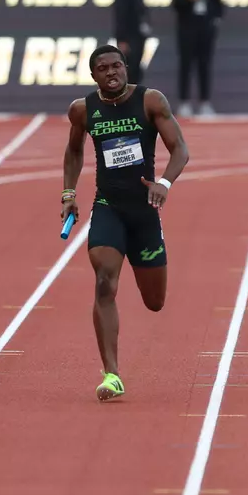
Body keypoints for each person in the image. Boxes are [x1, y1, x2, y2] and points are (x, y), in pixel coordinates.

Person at [61, 43, 190, 402]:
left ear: (126, 68)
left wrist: (164, 183)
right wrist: (68, 194)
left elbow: (180, 147)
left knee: (155, 302)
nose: (112, 72)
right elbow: (73, 150)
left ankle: (143, 267)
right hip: (108, 207)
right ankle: (112, 374)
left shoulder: (151, 101)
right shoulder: (83, 110)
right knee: (104, 282)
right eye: (103, 68)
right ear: (93, 75)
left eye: (117, 66)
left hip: (144, 210)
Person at [171, 0, 224, 118]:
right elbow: (175, 4)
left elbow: (218, 5)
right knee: (186, 65)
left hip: (205, 28)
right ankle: (184, 102)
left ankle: (204, 102)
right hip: (187, 28)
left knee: (204, 64)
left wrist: (214, 20)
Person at [113, 0, 152, 86]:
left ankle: (135, 102)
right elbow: (120, 18)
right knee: (128, 72)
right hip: (129, 39)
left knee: (136, 72)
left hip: (139, 38)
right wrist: (122, 40)